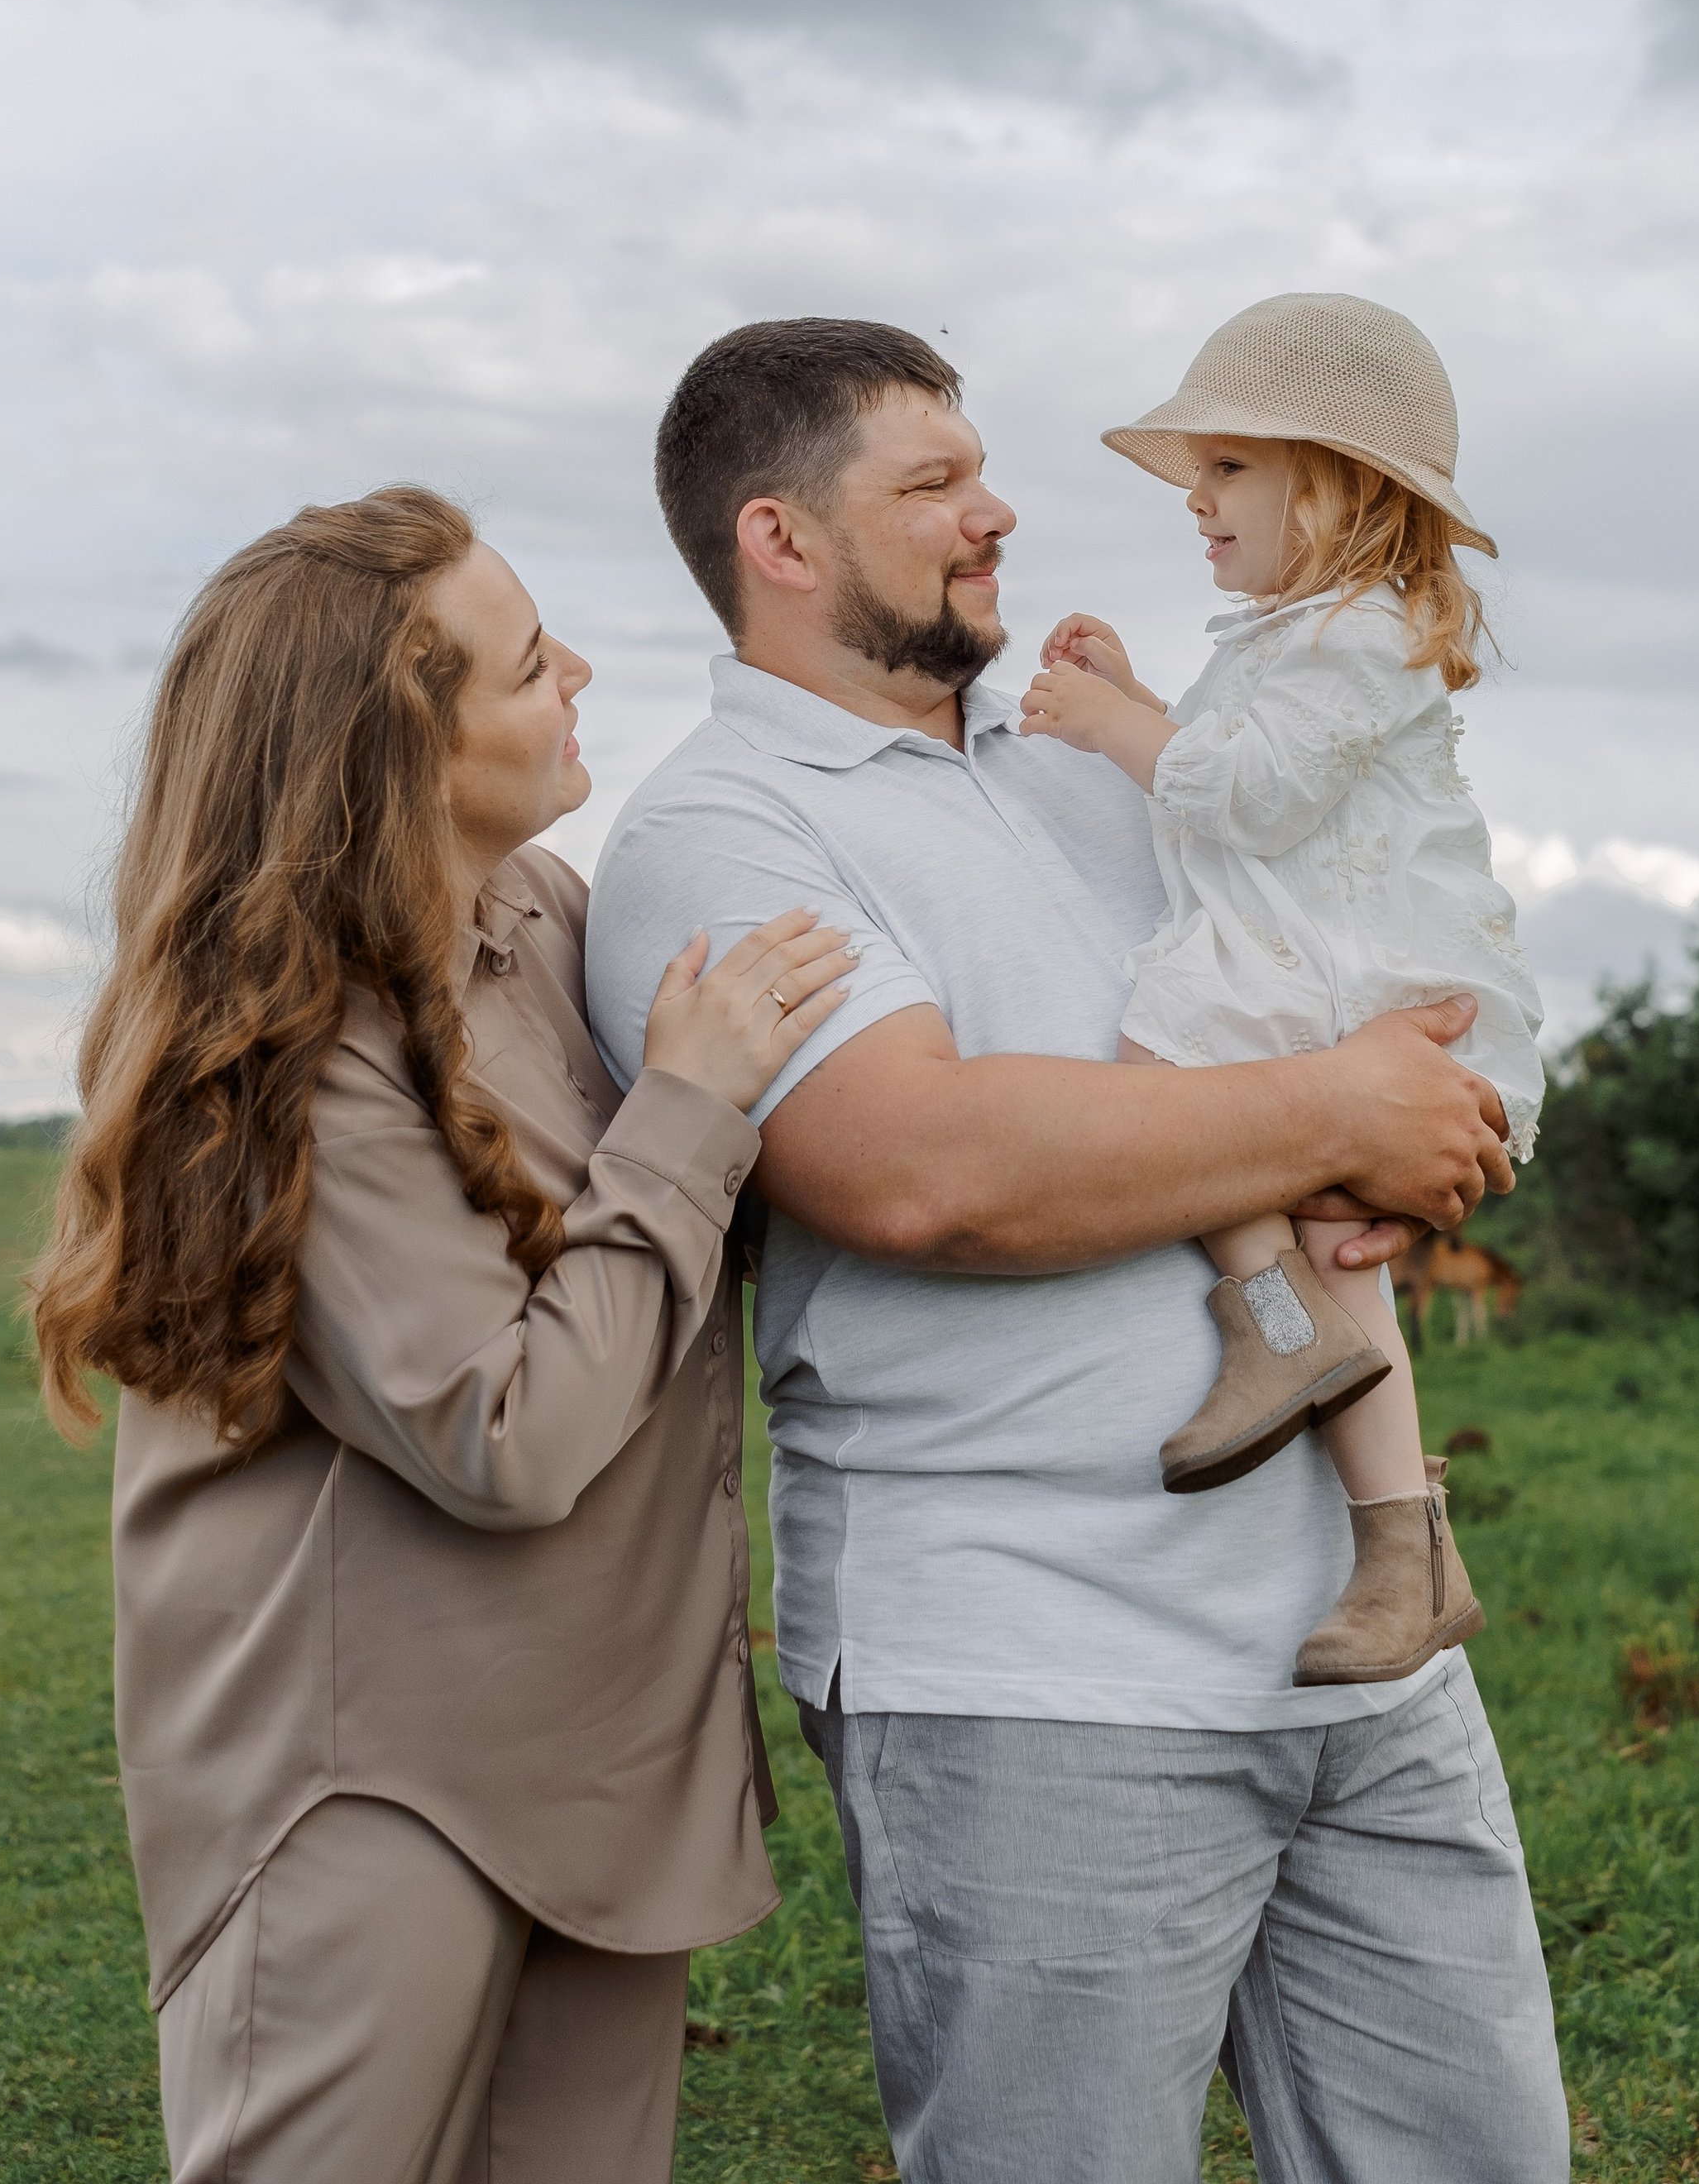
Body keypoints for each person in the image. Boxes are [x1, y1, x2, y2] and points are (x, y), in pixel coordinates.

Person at [586, 319, 1569, 2184]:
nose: (999, 510)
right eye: (934, 485)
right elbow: (921, 1171)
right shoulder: (720, 835)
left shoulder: (1090, 770)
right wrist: (1334, 1114)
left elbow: (1345, 982)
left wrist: (1433, 1124)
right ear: (780, 541)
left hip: (1363, 1658)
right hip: (1033, 1676)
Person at [28, 485, 854, 2184]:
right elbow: (509, 1433)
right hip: (378, 1790)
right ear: (395, 749)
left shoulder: (547, 920)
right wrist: (693, 1102)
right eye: (531, 665)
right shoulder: (294, 1044)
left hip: (606, 1760)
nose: (583, 681)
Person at [1020, 290, 1544, 1687]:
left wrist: (1109, 722)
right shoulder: (1291, 637)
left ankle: (1301, 1371)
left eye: (1229, 468)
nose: (1197, 501)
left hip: (1371, 994)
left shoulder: (1364, 631)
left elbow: (1246, 796)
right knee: (1310, 1232)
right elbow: (1241, 767)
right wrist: (1150, 697)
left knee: (1172, 1088)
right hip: (1316, 982)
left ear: (1336, 484)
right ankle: (1391, 1523)